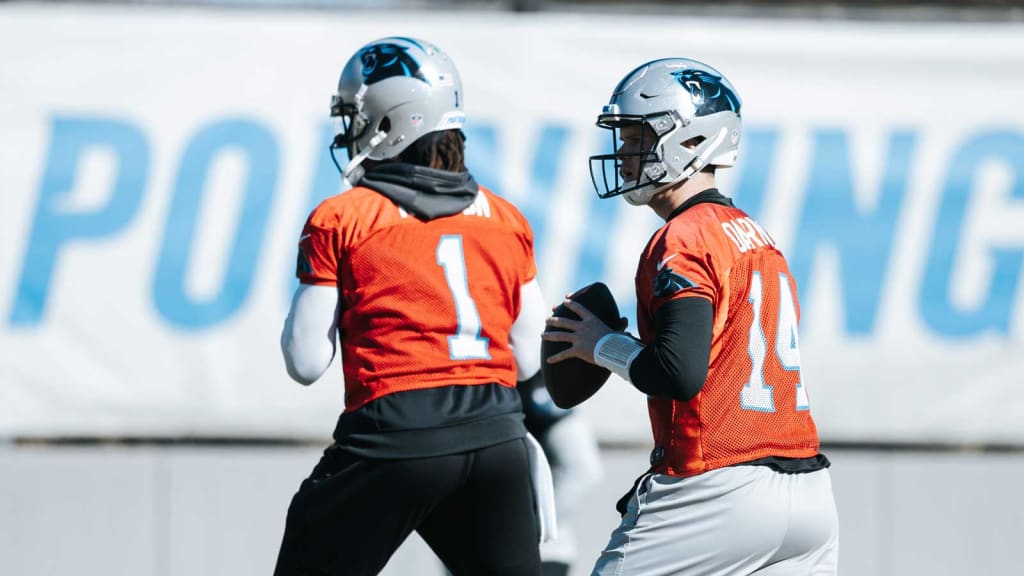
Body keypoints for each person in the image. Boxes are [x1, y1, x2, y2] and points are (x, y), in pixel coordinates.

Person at [541, 58, 839, 575]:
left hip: (719, 486)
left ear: (692, 142)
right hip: (809, 491)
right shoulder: (757, 236)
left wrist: (600, 344)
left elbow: (678, 372)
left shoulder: (685, 236)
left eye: (638, 137)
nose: (626, 154)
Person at [274, 36, 555, 576]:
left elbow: (306, 363)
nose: (350, 128)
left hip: (395, 435)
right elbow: (526, 359)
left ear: (390, 120)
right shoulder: (505, 217)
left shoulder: (346, 215)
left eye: (358, 115)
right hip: (498, 437)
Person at [517, 377, 603, 576]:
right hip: (478, 546)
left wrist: (528, 531)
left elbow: (582, 470)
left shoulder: (534, 386)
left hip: (535, 551)